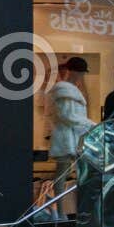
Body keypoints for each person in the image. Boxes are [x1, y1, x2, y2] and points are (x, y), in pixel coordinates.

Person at [45, 57, 91, 208]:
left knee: (64, 174)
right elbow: (67, 115)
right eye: (81, 73)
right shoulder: (64, 90)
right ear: (76, 72)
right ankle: (60, 210)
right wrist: (90, 124)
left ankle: (62, 210)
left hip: (72, 136)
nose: (82, 76)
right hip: (66, 137)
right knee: (62, 174)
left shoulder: (70, 89)